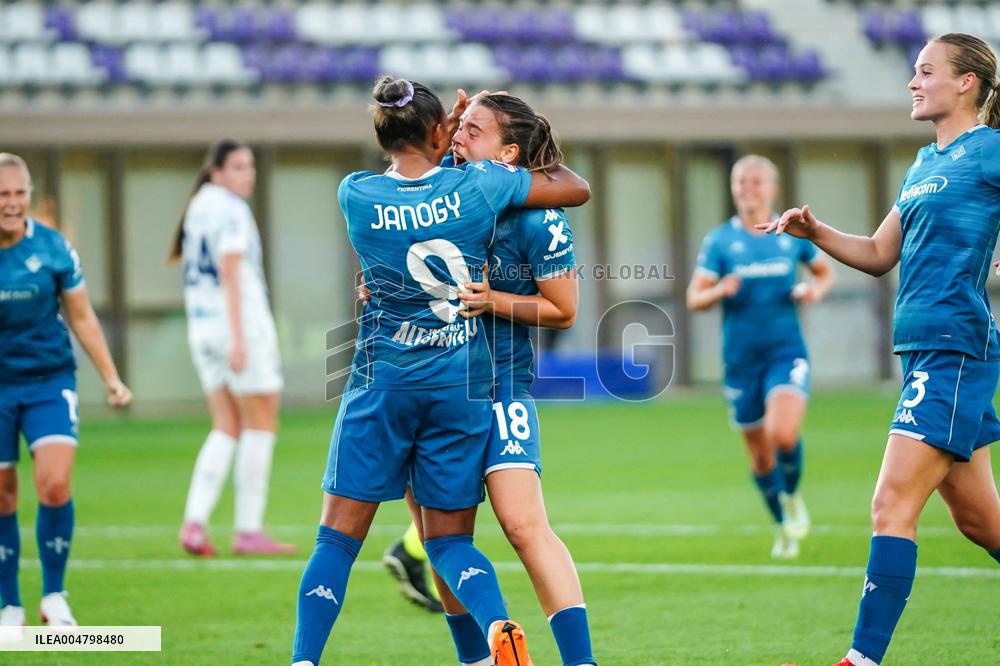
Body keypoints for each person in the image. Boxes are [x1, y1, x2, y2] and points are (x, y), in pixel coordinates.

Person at [291, 76, 590, 666]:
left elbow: (565, 308)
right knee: (441, 536)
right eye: (455, 127)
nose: (458, 137)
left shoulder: (532, 214)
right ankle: (479, 655)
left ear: (508, 153)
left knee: (522, 525)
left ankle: (580, 661)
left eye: (472, 129)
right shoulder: (476, 187)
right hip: (451, 383)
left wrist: (492, 300)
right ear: (437, 131)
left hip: (490, 380)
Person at [762, 33, 1000, 666]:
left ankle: (859, 661)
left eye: (925, 72)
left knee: (890, 504)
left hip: (954, 348)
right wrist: (814, 231)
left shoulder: (989, 152)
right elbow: (876, 253)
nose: (913, 83)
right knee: (983, 525)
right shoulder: (924, 164)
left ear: (966, 83)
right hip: (923, 352)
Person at [0, 153, 132, 627]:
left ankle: (54, 596)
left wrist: (111, 377)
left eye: (19, 193)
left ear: (29, 195)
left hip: (48, 381)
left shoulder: (54, 248)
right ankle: (8, 604)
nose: (12, 203)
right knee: (3, 493)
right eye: (2, 195)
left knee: (54, 483)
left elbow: (80, 316)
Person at [687, 155, 834, 558]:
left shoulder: (789, 235)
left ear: (772, 188)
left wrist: (812, 292)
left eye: (756, 181)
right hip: (740, 360)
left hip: (785, 351)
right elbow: (695, 297)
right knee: (759, 453)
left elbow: (823, 273)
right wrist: (719, 290)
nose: (748, 188)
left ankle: (792, 497)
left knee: (783, 434)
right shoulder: (720, 241)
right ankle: (782, 522)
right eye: (741, 181)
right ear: (733, 189)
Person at [169, 140, 294, 556]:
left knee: (226, 424)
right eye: (238, 166)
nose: (248, 174)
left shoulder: (199, 205)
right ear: (217, 171)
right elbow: (230, 270)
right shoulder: (232, 209)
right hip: (237, 328)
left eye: (251, 166)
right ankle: (248, 529)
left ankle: (194, 522)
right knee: (262, 421)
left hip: (201, 327)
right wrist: (239, 338)